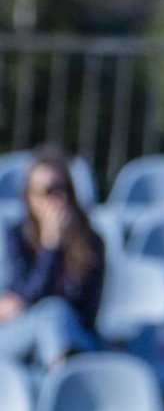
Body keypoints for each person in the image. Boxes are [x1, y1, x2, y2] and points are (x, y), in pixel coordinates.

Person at [0, 145, 107, 370]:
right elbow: (25, 296)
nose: (59, 199)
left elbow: (85, 312)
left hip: (74, 335)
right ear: (30, 197)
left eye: (65, 189)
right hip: (23, 333)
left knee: (55, 314)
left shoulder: (91, 242)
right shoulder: (16, 237)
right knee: (51, 313)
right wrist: (51, 246)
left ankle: (59, 374)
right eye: (49, 191)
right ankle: (63, 383)